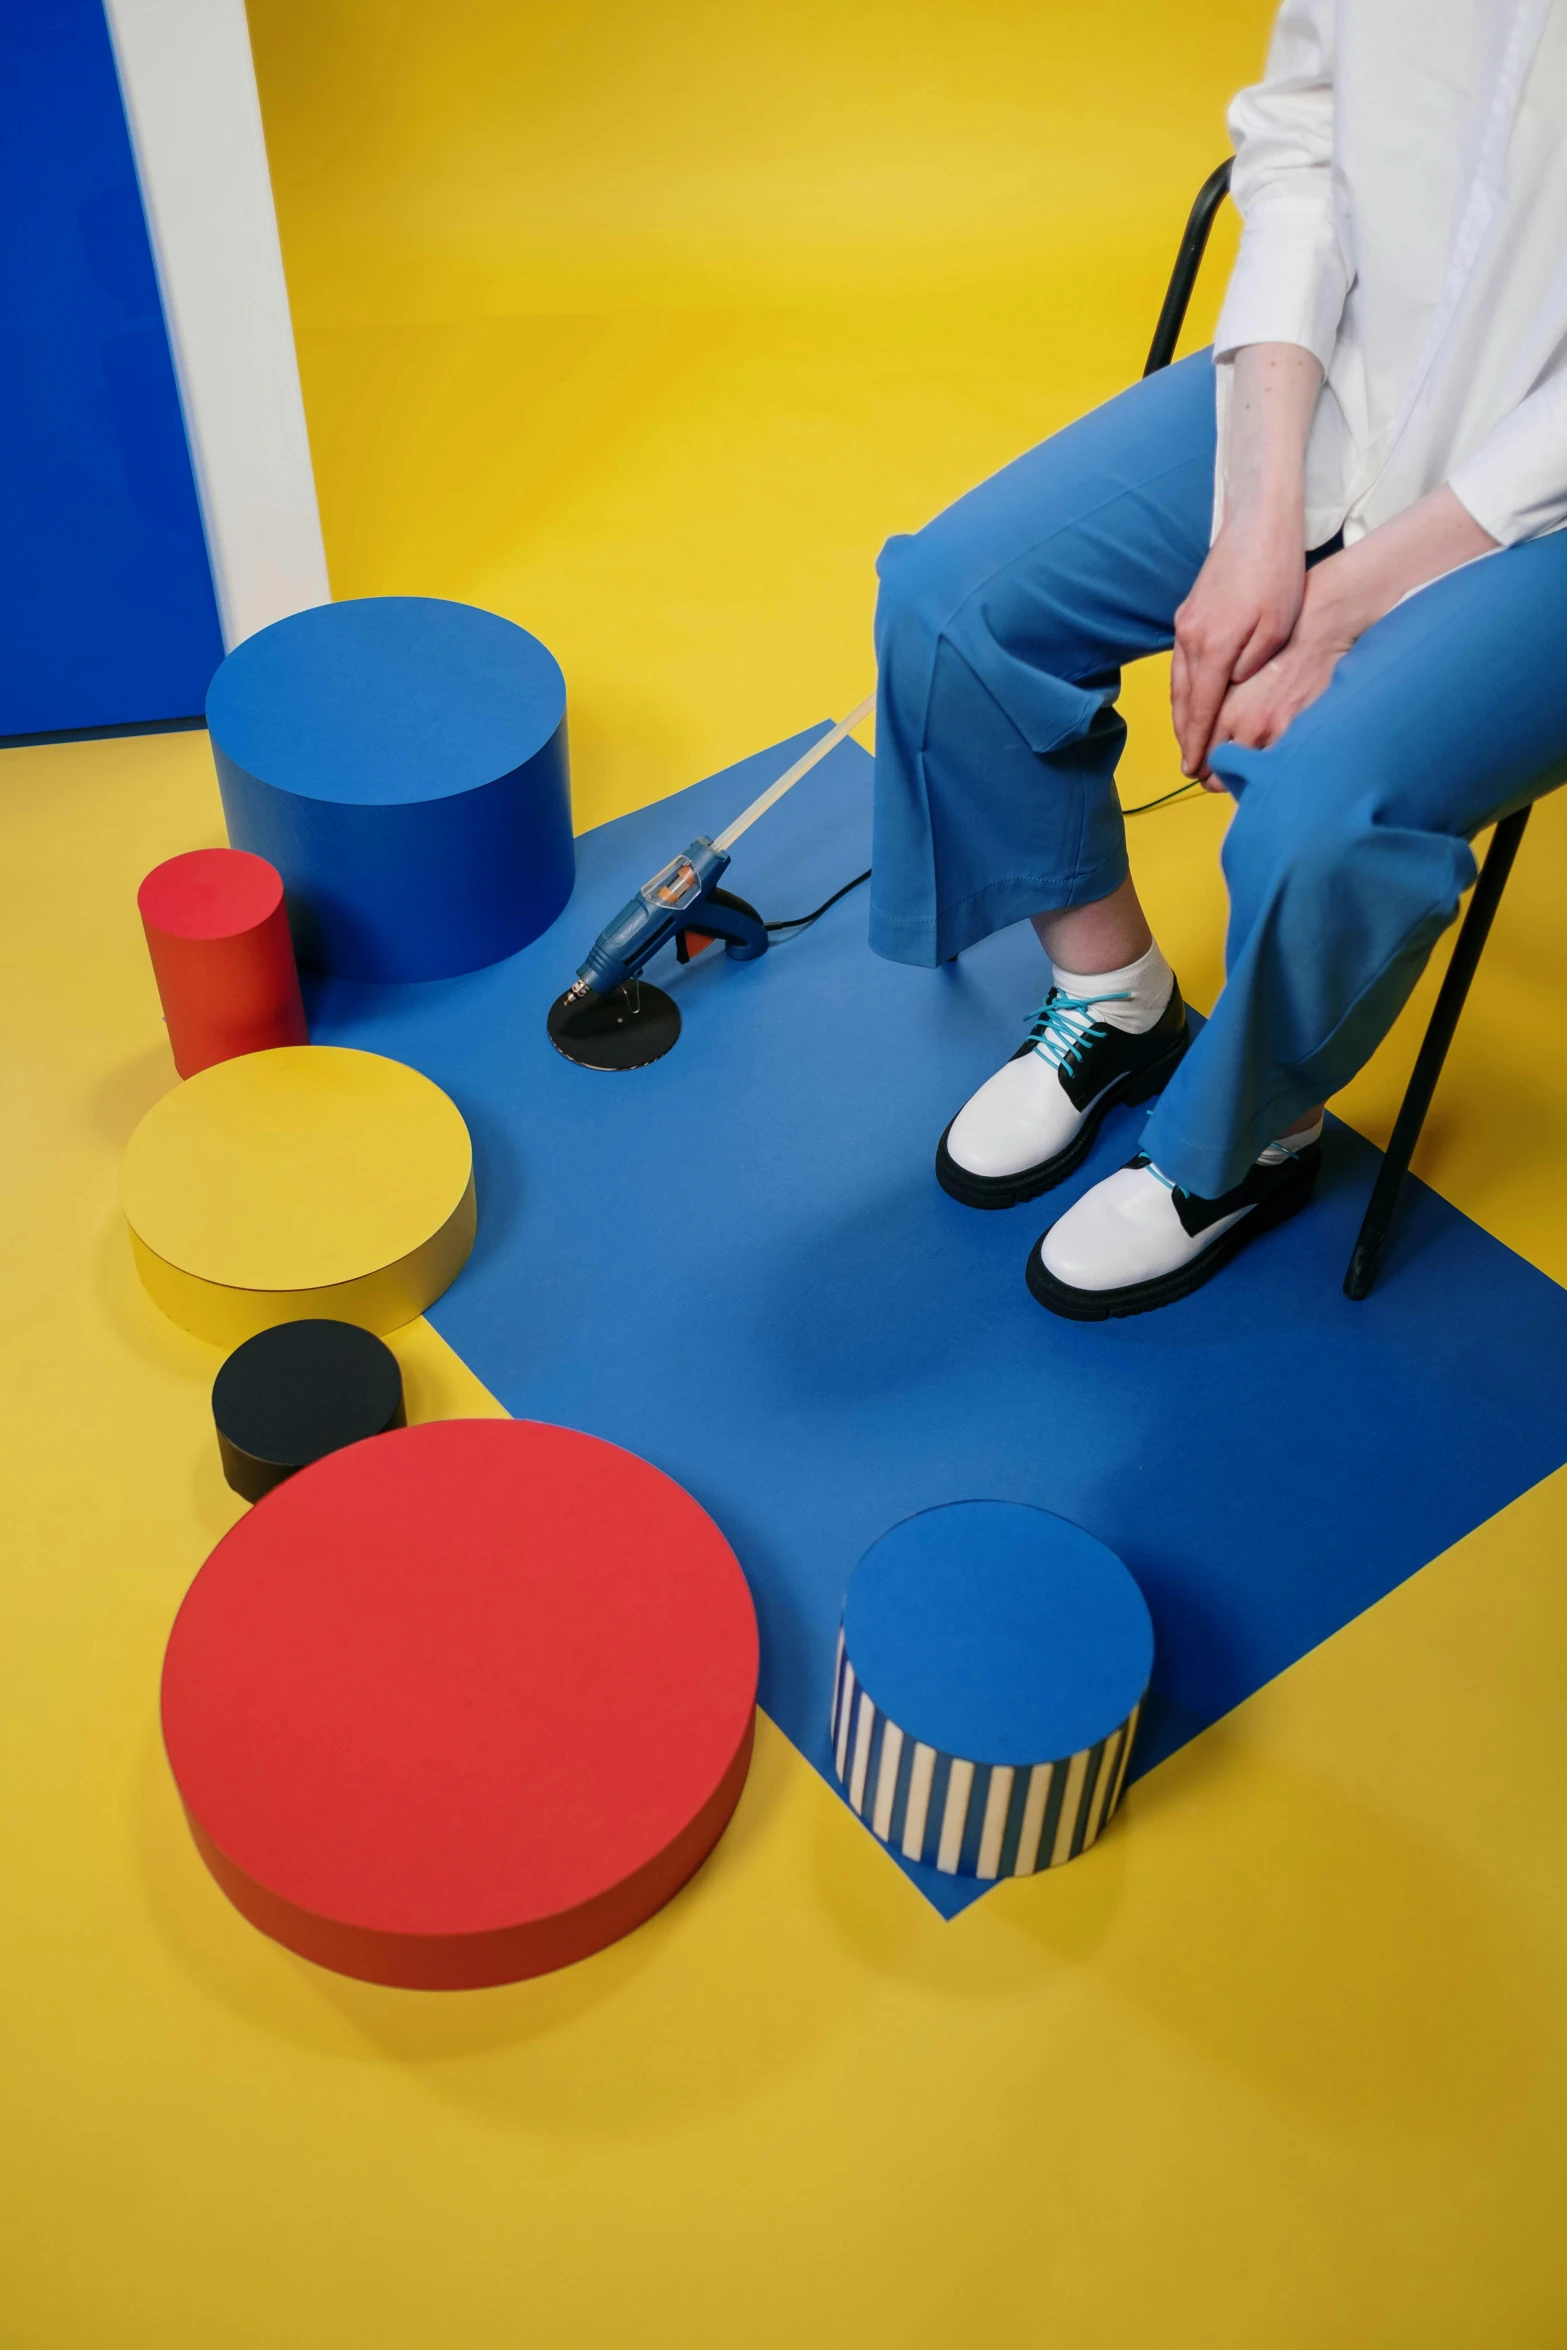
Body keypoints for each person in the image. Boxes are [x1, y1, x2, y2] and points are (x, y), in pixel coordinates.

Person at [870, 0, 1567, 1318]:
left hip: (1550, 514)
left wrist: (1348, 592)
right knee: (951, 605)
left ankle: (1241, 1142)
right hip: (1348, 382)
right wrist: (1257, 519)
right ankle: (1110, 992)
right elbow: (1304, 136)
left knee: (1322, 810)